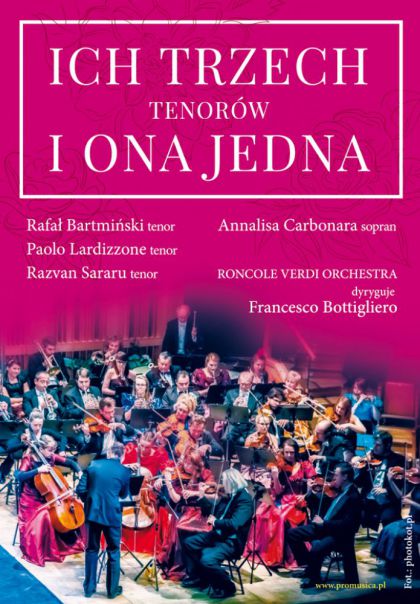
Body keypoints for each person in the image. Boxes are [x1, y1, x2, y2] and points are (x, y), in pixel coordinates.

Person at [181, 468, 254, 598]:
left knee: (207, 559)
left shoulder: (244, 500)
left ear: (232, 482)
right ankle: (200, 577)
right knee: (189, 543)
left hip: (231, 542)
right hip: (219, 536)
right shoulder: (229, 495)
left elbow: (235, 523)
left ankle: (228, 587)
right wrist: (202, 496)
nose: (222, 484)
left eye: (224, 481)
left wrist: (216, 522)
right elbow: (211, 512)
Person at [287, 462, 361, 587]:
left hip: (338, 534)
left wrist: (325, 523)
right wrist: (312, 492)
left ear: (345, 476)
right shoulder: (339, 490)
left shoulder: (353, 496)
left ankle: (314, 578)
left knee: (317, 548)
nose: (333, 478)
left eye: (336, 475)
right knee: (292, 534)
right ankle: (309, 566)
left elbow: (349, 524)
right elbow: (322, 500)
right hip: (324, 527)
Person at [245, 439, 316, 568]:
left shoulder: (304, 465)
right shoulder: (279, 466)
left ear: (296, 452)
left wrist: (306, 494)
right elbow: (277, 491)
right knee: (260, 513)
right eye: (286, 452)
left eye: (292, 452)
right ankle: (266, 554)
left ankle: (283, 557)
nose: (289, 455)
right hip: (280, 498)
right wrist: (275, 477)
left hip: (297, 501)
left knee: (281, 517)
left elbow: (314, 486)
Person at [16, 434, 84, 567]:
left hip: (50, 497)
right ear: (41, 449)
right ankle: (46, 551)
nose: (52, 453)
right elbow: (19, 476)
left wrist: (79, 471)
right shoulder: (29, 459)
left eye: (54, 450)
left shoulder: (51, 457)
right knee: (45, 517)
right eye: (50, 449)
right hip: (31, 499)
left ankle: (70, 543)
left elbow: (71, 463)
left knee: (76, 508)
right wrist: (37, 470)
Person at [77, 442, 131, 599]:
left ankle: (89, 589)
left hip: (93, 514)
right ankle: (112, 591)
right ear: (122, 455)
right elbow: (123, 494)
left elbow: (80, 489)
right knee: (113, 551)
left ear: (109, 453)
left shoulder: (93, 465)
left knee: (91, 549)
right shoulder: (125, 471)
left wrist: (89, 501)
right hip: (112, 515)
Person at [372, 463, 420, 578]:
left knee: (399, 533)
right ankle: (392, 566)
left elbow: (409, 501)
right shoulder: (416, 482)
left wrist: (412, 503)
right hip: (412, 519)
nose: (416, 468)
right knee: (388, 529)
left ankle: (408, 569)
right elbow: (401, 497)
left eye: (419, 465)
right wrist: (390, 481)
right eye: (417, 464)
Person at [354, 430, 405, 530]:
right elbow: (359, 482)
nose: (374, 447)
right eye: (374, 444)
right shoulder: (369, 459)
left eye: (378, 445)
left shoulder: (398, 460)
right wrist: (359, 467)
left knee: (389, 518)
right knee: (352, 512)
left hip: (388, 500)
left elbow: (400, 484)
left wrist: (386, 490)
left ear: (387, 445)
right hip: (369, 499)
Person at [0, 409, 67, 482]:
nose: (38, 428)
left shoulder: (45, 431)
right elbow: (10, 449)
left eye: (40, 425)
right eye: (35, 425)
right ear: (30, 423)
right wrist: (23, 444)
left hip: (44, 463)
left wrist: (62, 450)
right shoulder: (23, 433)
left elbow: (63, 437)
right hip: (29, 465)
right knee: (12, 458)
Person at [222, 371, 262, 455]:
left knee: (252, 441)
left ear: (251, 384)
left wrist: (247, 411)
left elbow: (257, 413)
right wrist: (234, 406)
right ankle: (228, 459)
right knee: (226, 439)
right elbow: (225, 410)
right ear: (238, 381)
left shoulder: (257, 396)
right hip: (234, 424)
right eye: (242, 384)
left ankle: (248, 460)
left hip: (249, 425)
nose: (244, 387)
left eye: (247, 385)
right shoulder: (231, 393)